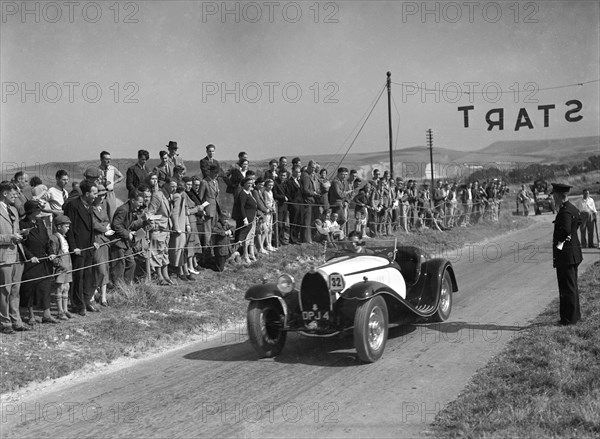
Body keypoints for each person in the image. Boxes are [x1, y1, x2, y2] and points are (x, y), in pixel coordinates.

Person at [63, 180, 99, 316]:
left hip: (88, 247)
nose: (96, 196)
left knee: (88, 275)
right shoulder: (73, 205)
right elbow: (70, 229)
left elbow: (90, 227)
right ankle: (78, 304)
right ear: (87, 193)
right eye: (94, 193)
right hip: (78, 248)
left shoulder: (89, 206)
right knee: (78, 276)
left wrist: (93, 241)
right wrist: (73, 247)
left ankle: (86, 300)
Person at [19, 200, 57, 324]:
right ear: (30, 212)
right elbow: (22, 245)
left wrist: (51, 252)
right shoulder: (22, 224)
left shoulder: (41, 222)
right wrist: (30, 257)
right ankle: (31, 316)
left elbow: (47, 240)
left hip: (43, 259)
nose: (39, 212)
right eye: (37, 210)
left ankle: (47, 314)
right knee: (29, 288)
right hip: (31, 262)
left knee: (45, 286)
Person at [551, 183, 583, 326]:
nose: (553, 198)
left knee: (567, 288)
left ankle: (569, 319)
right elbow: (579, 222)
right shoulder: (573, 208)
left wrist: (559, 246)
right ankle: (574, 316)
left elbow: (565, 231)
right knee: (572, 286)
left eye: (554, 196)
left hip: (566, 256)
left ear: (559, 196)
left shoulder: (564, 212)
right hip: (573, 254)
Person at [111, 190, 148, 285]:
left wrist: (144, 222)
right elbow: (115, 225)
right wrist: (128, 234)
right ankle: (118, 288)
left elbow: (131, 225)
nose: (141, 205)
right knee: (119, 266)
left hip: (125, 243)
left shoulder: (131, 210)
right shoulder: (123, 210)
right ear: (132, 200)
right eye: (139, 202)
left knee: (131, 263)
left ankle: (126, 286)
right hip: (118, 242)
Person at [91, 185, 113, 306]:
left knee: (105, 268)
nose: (102, 197)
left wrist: (104, 227)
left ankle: (103, 296)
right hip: (97, 240)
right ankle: (93, 293)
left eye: (104, 195)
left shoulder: (102, 207)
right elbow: (94, 224)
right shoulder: (91, 208)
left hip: (105, 240)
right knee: (98, 267)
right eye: (100, 195)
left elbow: (106, 220)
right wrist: (104, 228)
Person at [49, 215, 74, 320]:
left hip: (67, 265)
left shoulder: (64, 237)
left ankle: (65, 309)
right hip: (61, 266)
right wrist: (58, 264)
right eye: (66, 226)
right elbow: (53, 253)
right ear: (59, 227)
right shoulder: (54, 238)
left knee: (66, 287)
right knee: (60, 288)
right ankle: (60, 311)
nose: (68, 228)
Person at [232, 177, 258, 263]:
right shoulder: (242, 194)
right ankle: (244, 255)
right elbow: (241, 207)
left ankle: (250, 254)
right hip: (246, 219)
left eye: (251, 183)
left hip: (252, 218)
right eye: (248, 183)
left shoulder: (249, 192)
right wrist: (244, 218)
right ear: (244, 184)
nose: (250, 185)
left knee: (250, 237)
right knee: (244, 238)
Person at [98, 151, 124, 221]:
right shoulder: (98, 170)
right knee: (101, 213)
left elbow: (121, 177)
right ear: (101, 159)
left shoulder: (112, 168)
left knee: (112, 214)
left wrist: (113, 183)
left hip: (110, 193)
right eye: (106, 159)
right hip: (101, 194)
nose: (109, 161)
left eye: (110, 159)